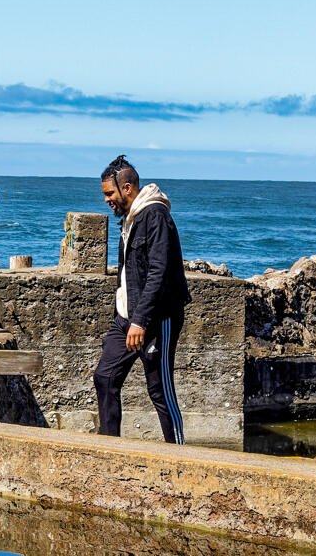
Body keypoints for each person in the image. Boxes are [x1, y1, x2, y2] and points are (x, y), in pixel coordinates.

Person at [94, 155, 191, 443]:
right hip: (126, 319)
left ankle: (179, 454)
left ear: (127, 188)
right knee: (105, 377)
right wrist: (126, 318)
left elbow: (160, 272)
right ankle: (110, 447)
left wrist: (141, 320)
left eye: (109, 193)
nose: (106, 200)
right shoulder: (129, 218)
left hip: (156, 319)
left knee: (159, 389)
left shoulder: (155, 216)